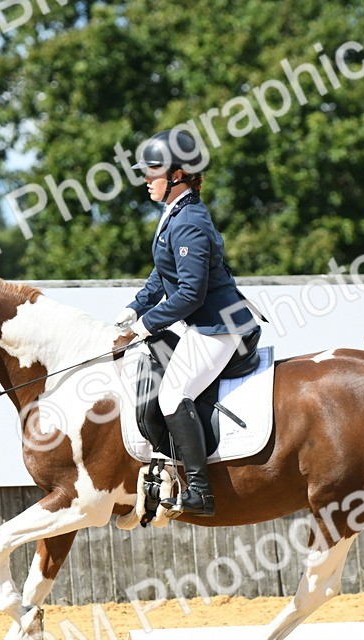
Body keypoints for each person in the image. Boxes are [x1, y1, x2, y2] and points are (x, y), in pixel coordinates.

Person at [115, 129, 260, 517]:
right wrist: (135, 307)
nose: (146, 179)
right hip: (202, 323)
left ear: (177, 175)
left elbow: (191, 294)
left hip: (219, 326)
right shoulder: (175, 212)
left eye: (153, 171)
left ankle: (200, 491)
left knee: (172, 395)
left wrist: (147, 324)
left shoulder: (189, 220)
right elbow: (163, 274)